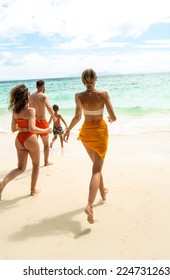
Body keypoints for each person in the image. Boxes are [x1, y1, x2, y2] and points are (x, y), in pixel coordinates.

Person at [64, 68, 117, 224]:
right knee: (96, 170)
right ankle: (89, 205)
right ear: (96, 79)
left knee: (96, 166)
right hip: (100, 132)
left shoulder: (79, 96)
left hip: (87, 133)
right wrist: (110, 118)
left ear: (82, 80)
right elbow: (113, 117)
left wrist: (67, 130)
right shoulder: (104, 95)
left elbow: (78, 116)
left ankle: (103, 193)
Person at [0, 84, 52, 201]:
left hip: (19, 139)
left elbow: (13, 129)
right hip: (30, 138)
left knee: (20, 168)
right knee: (36, 165)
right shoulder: (31, 110)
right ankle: (33, 190)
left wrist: (22, 126)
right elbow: (32, 128)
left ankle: (3, 183)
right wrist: (46, 130)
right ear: (26, 97)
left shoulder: (15, 111)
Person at [29, 80, 56, 166]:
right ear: (43, 86)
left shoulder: (31, 96)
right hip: (42, 122)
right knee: (46, 144)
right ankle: (46, 162)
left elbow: (29, 108)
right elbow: (49, 107)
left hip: (33, 122)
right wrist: (54, 117)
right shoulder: (44, 96)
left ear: (36, 86)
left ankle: (35, 162)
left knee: (34, 144)